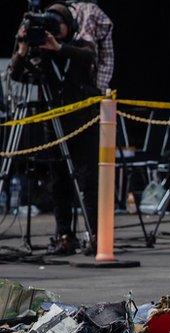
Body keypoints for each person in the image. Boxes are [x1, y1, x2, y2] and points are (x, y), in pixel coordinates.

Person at [10, 3, 99, 255]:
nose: (53, 27)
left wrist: (59, 48)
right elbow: (16, 75)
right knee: (59, 182)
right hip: (54, 125)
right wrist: (22, 48)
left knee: (88, 181)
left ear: (69, 24)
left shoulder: (80, 45)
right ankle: (64, 235)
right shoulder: (41, 53)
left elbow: (89, 57)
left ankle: (96, 234)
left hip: (83, 124)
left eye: (58, 22)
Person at [67, 0, 113, 92]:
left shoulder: (95, 14)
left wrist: (101, 89)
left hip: (85, 77)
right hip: (63, 73)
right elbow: (107, 56)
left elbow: (106, 56)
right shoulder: (63, 12)